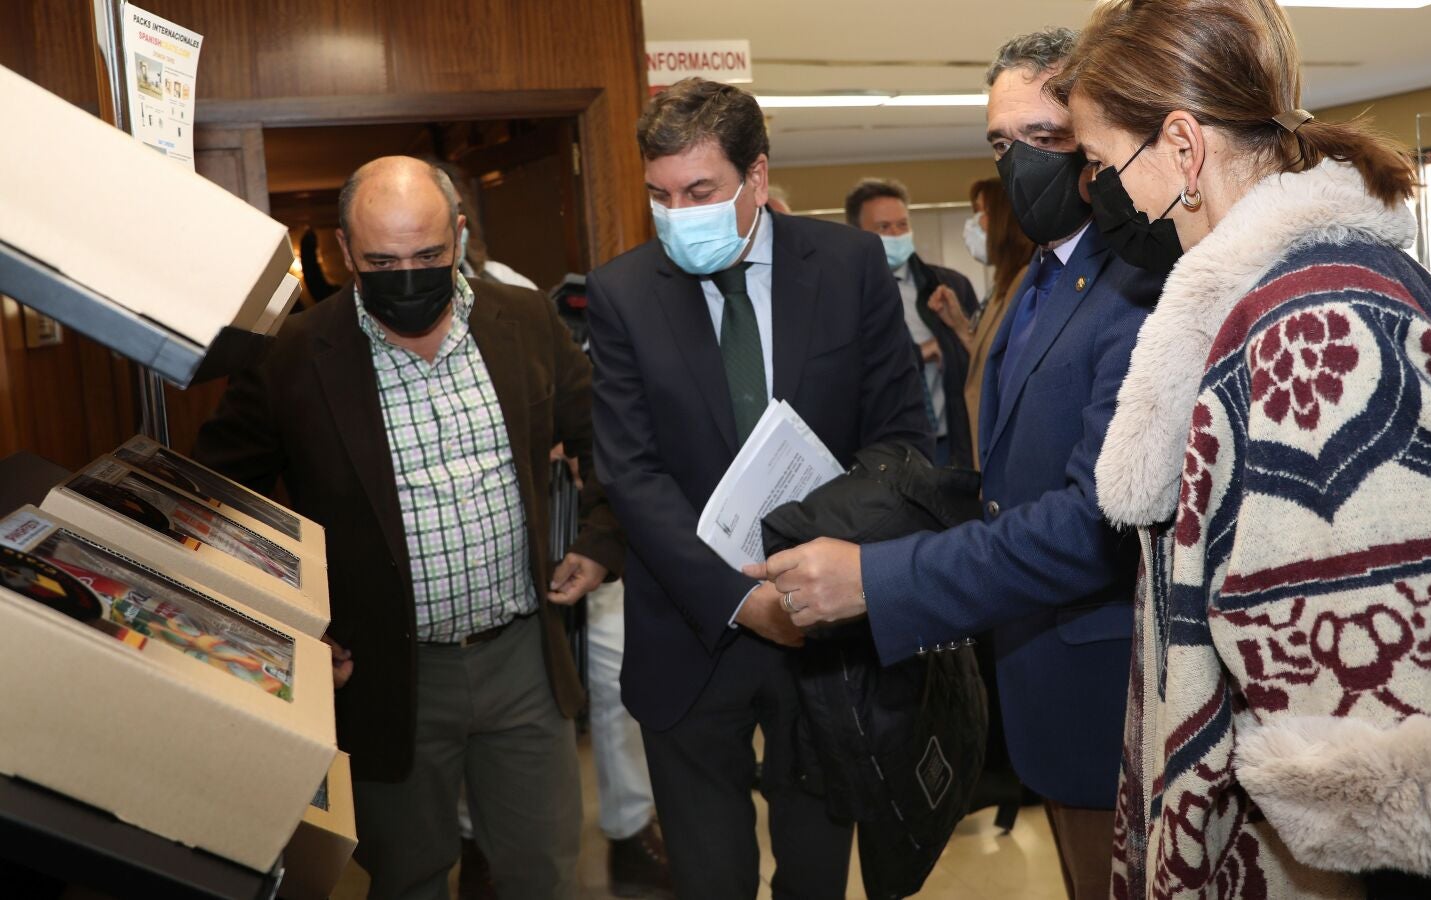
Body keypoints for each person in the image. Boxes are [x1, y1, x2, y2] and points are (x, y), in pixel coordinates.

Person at [1059, 1, 1431, 897]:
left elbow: (1412, 799)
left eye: (1101, 164)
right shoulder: (1302, 289)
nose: (1100, 195)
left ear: (1182, 147)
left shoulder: (1312, 330)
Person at [745, 29, 1164, 900]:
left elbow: (1095, 524)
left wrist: (881, 578)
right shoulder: (1039, 275)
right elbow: (1005, 478)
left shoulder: (1137, 285)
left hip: (1109, 689)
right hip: (1034, 666)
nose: (1021, 164)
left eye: (1045, 137)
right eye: (1002, 143)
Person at [193, 156, 624, 900]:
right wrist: (290, 626)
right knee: (408, 876)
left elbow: (606, 437)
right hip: (387, 674)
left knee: (543, 872)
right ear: (343, 250)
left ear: (458, 236)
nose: (409, 277)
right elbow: (220, 499)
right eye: (383, 263)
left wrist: (600, 540)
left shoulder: (524, 321)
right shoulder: (292, 356)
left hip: (522, 656)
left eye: (428, 256)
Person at [584, 78, 931, 900]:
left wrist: (819, 569)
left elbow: (898, 439)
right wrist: (742, 601)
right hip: (689, 630)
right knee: (711, 877)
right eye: (660, 196)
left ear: (758, 177)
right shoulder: (623, 293)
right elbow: (631, 473)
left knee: (815, 871)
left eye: (700, 191)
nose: (679, 214)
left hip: (824, 629)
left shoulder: (847, 267)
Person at [432, 158, 674, 900]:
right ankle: (476, 843)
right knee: (481, 706)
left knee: (617, 680)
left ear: (462, 225)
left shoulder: (517, 298)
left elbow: (581, 402)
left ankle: (630, 829)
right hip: (479, 552)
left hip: (569, 528)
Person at [845, 178, 980, 468]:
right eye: (883, 227)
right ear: (857, 234)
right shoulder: (844, 295)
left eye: (902, 225)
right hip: (884, 449)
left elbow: (982, 355)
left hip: (952, 442)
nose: (896, 234)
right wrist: (921, 353)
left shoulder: (950, 285)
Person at [930, 177, 1036, 463]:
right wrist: (959, 324)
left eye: (982, 213)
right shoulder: (1003, 283)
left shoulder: (1026, 282)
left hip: (1013, 449)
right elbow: (993, 355)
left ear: (1005, 219)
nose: (974, 224)